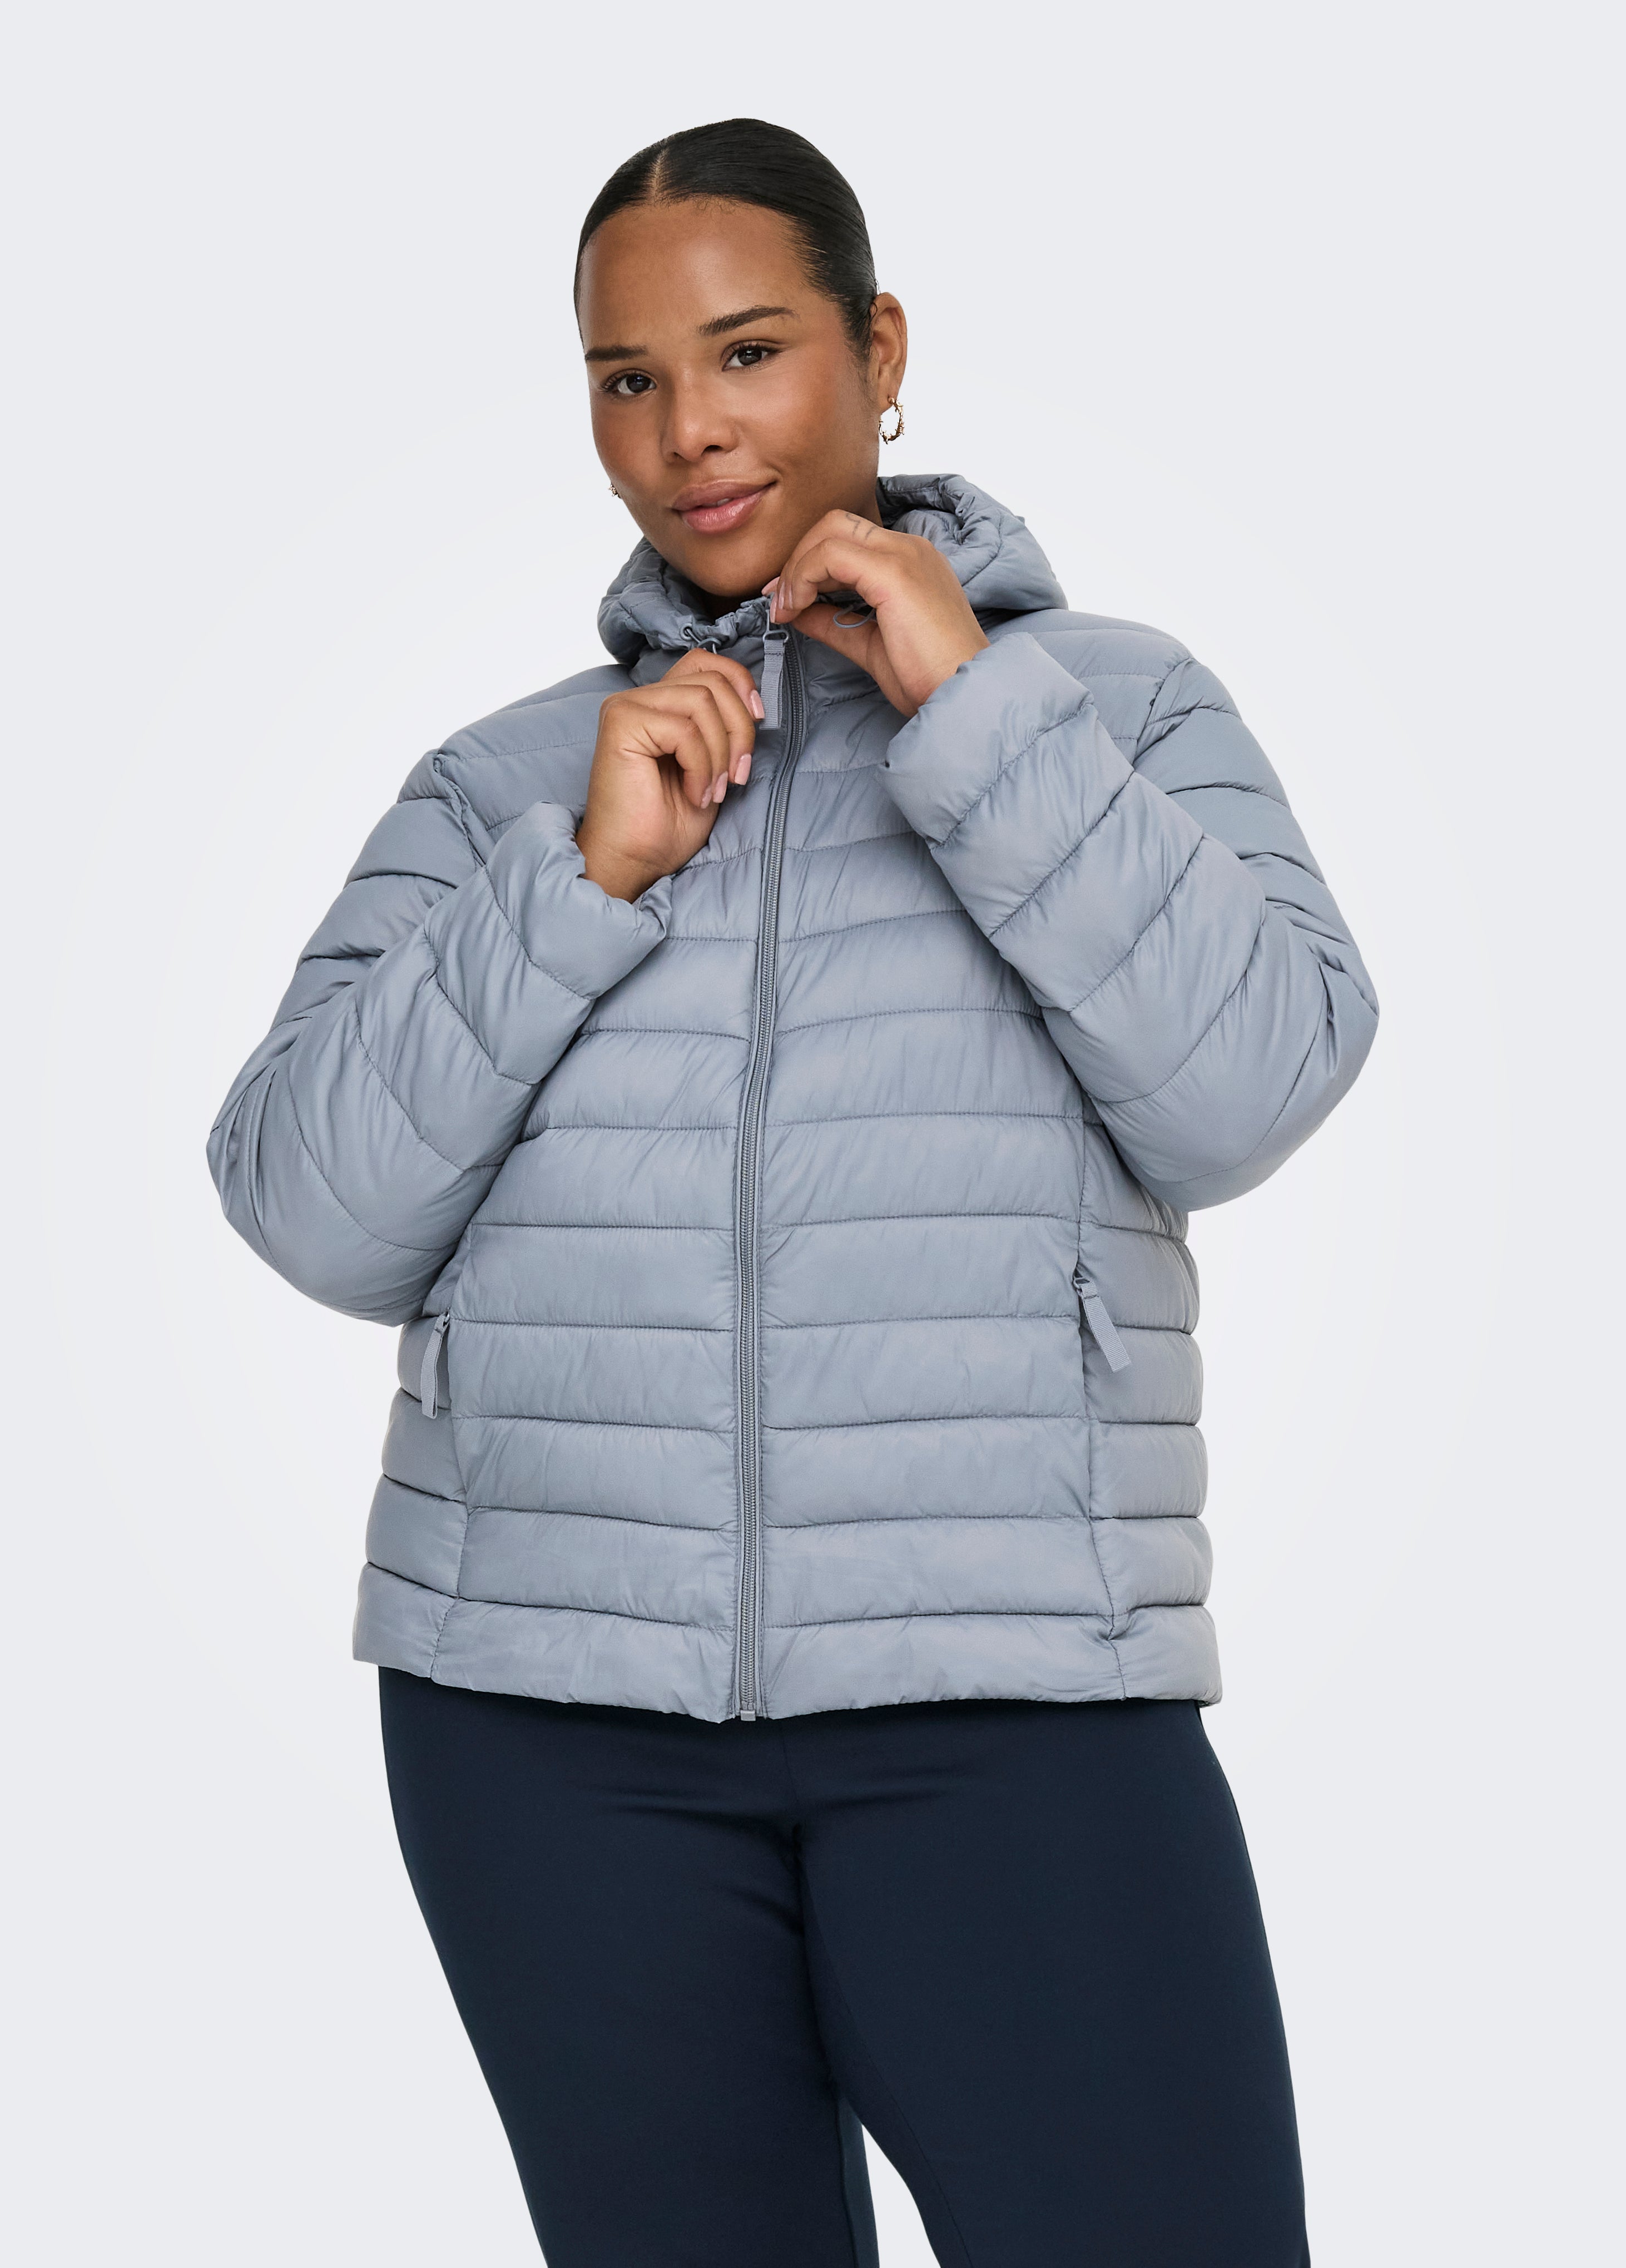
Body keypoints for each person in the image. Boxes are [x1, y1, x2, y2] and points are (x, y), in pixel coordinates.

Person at [209, 116, 1375, 2268]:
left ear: (878, 349)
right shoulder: (509, 781)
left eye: (745, 351)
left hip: (1011, 1702)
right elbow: (307, 1205)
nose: (688, 432)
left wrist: (973, 711)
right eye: (627, 378)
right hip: (546, 1732)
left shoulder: (1115, 709)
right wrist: (579, 882)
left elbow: (1250, 1087)